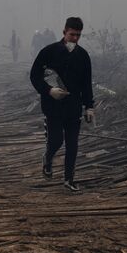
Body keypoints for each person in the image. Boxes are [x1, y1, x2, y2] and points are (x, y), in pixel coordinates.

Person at [30, 17, 94, 192]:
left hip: (74, 106)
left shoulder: (83, 56)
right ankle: (48, 158)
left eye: (78, 35)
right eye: (72, 34)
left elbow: (87, 83)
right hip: (53, 106)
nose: (75, 38)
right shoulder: (48, 52)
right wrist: (49, 90)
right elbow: (34, 76)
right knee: (56, 140)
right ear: (64, 32)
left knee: (73, 144)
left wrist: (89, 106)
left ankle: (69, 179)